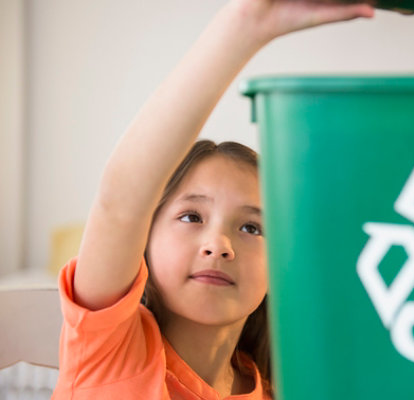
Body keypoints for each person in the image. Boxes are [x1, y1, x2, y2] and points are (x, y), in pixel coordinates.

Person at [52, 1, 375, 398]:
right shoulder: (109, 353)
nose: (219, 246)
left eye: (252, 227)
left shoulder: (282, 388)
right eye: (191, 216)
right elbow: (118, 204)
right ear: (144, 243)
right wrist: (244, 26)